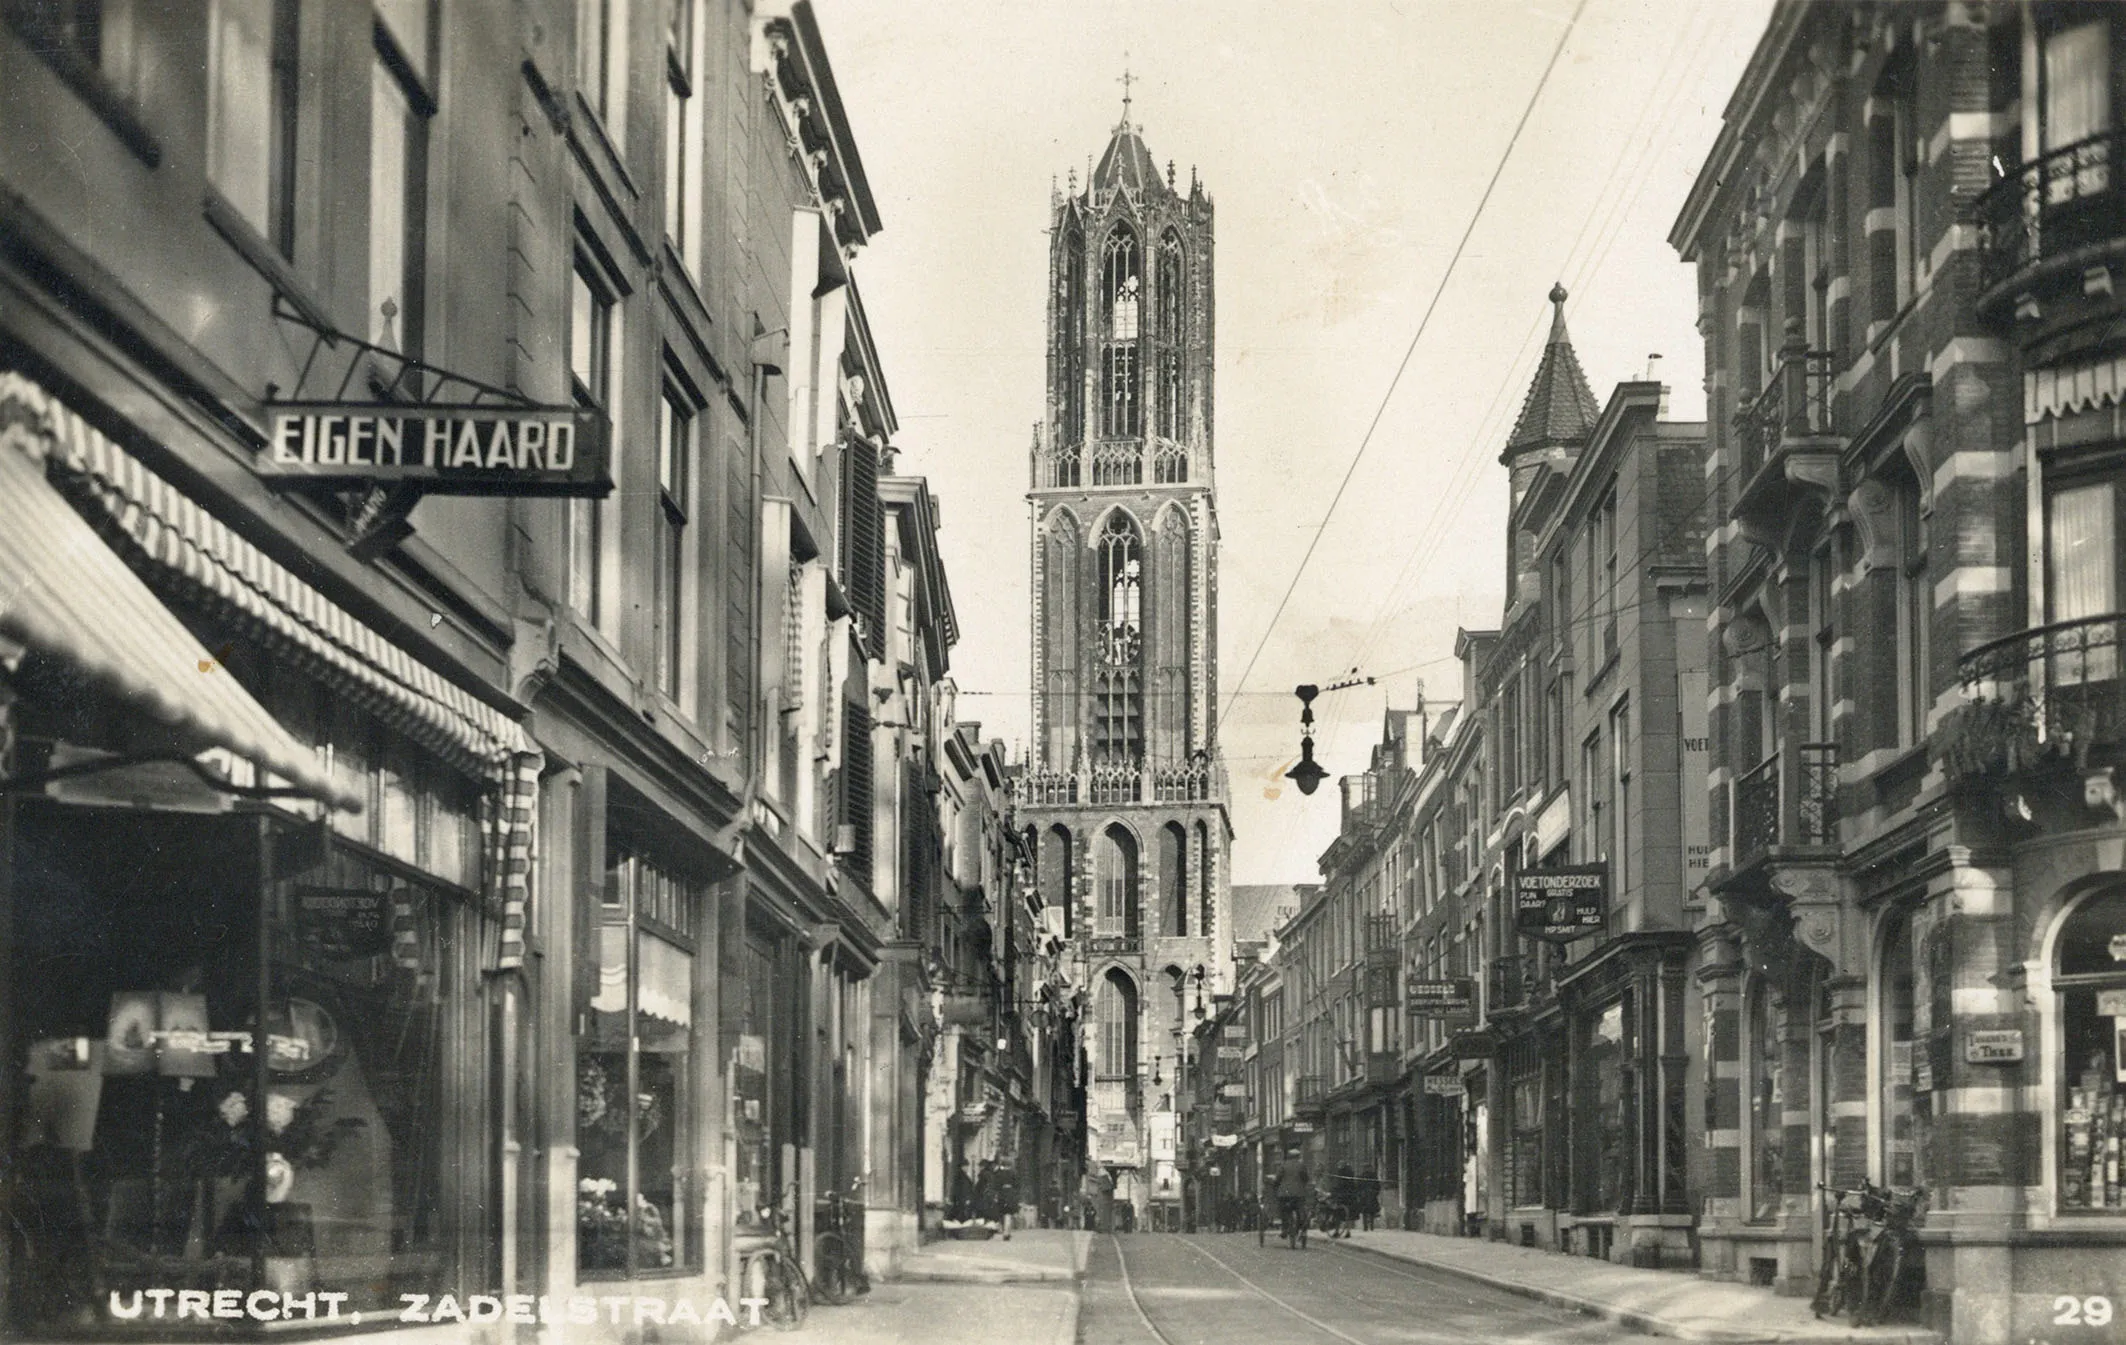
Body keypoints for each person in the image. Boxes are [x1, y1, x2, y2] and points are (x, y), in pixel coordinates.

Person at [1272, 1147, 1311, 1245]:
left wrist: (1275, 1185)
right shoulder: (1301, 1165)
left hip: (1285, 1193)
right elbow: (1306, 1178)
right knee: (1300, 1210)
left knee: (1283, 1210)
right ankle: (1301, 1228)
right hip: (1299, 1193)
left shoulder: (1283, 1165)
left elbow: (1278, 1178)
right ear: (1298, 1156)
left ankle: (1284, 1229)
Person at [1359, 1167, 1381, 1231]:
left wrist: (1375, 1193)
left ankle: (1369, 1226)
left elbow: (1377, 1186)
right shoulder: (1363, 1176)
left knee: (1369, 1212)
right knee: (1367, 1212)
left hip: (1370, 1196)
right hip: (1367, 1196)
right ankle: (1367, 1226)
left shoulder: (1371, 1176)